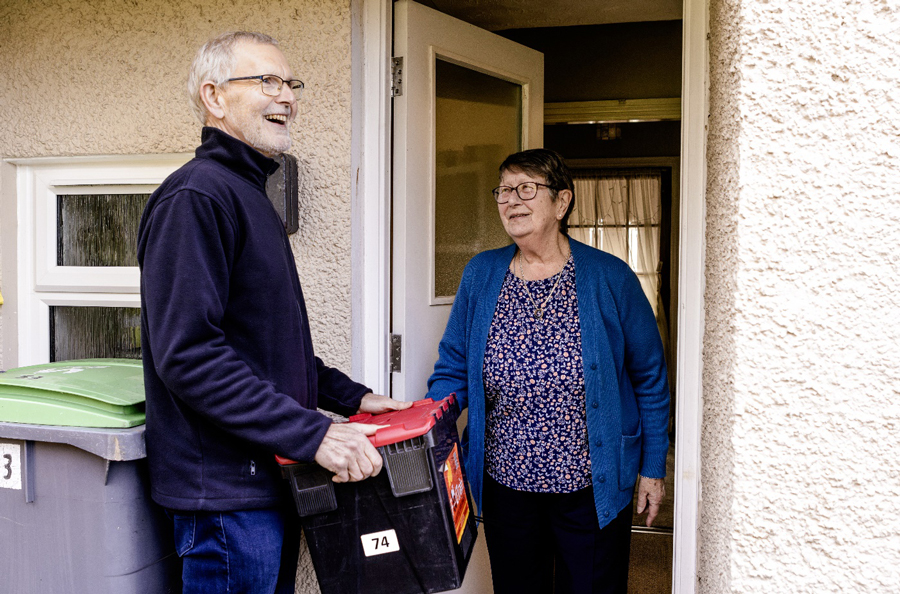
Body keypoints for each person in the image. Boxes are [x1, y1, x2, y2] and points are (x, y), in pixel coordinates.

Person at [138, 31, 409, 594]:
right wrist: (314, 434)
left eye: (290, 83)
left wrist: (347, 396)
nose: (286, 95)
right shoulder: (196, 198)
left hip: (262, 484)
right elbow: (189, 355)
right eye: (266, 80)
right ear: (214, 97)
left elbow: (261, 340)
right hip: (225, 500)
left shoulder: (247, 193)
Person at [425, 149, 670, 594]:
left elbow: (649, 378)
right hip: (505, 485)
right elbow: (453, 366)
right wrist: (425, 430)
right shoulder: (481, 274)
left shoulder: (610, 276)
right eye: (504, 191)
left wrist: (652, 468)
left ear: (562, 203)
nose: (512, 201)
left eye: (526, 189)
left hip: (590, 485)